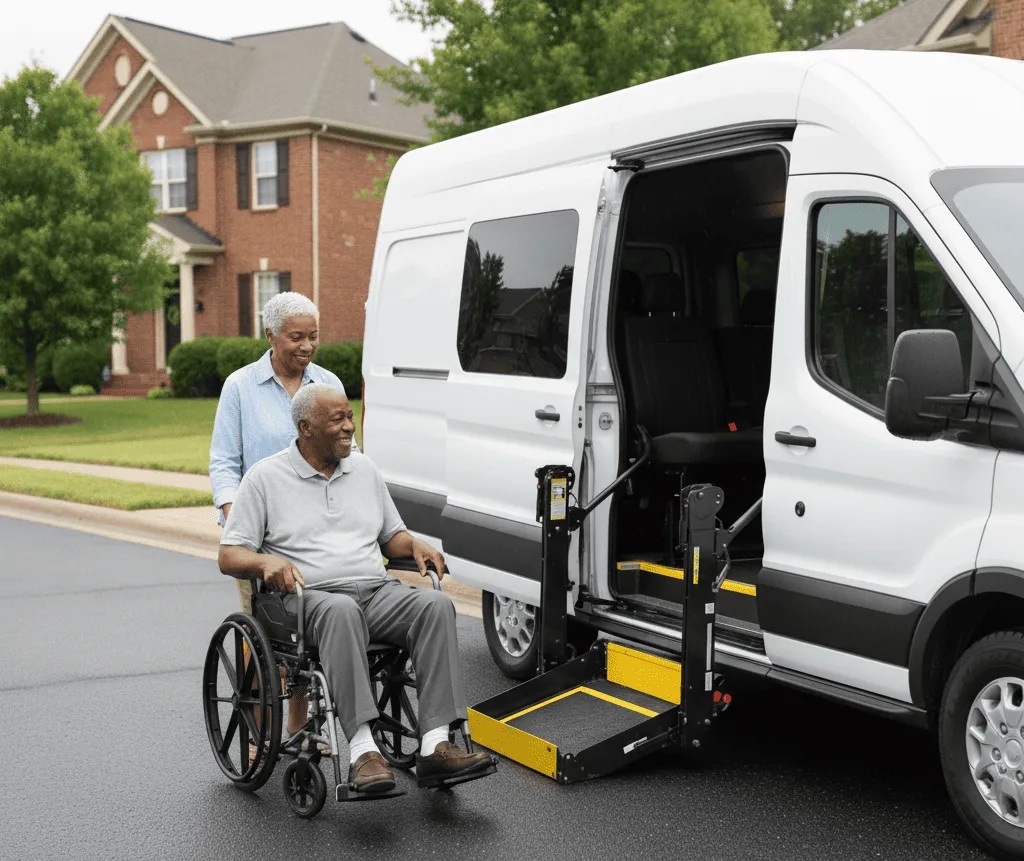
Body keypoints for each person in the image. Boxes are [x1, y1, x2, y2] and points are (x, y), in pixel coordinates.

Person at [218, 384, 493, 793]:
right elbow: (229, 555)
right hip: (306, 600)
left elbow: (391, 537)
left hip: (375, 591)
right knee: (341, 611)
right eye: (338, 420)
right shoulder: (265, 478)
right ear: (306, 428)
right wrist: (265, 562)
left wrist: (413, 545)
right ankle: (363, 752)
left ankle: (436, 745)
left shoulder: (363, 470)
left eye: (350, 416)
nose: (350, 426)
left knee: (435, 605)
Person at [210, 291, 355, 738]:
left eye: (313, 336)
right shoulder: (240, 386)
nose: (307, 346)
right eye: (296, 337)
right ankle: (257, 730)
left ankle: (298, 727)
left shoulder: (327, 383)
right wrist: (237, 520)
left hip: (318, 529)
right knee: (265, 638)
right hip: (262, 532)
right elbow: (224, 462)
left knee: (305, 636)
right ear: (270, 335)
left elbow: (348, 449)